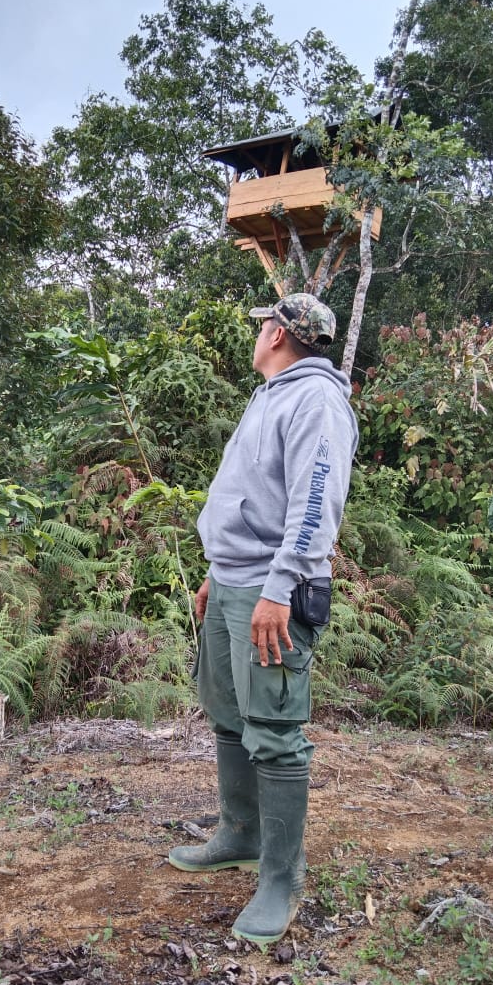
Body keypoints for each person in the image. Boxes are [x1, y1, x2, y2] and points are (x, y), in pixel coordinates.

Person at [168, 292, 358, 944]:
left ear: (278, 334)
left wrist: (279, 589)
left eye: (261, 328)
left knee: (275, 730)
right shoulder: (270, 395)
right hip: (231, 585)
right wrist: (215, 574)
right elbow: (250, 493)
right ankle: (240, 833)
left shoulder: (317, 400)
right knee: (226, 713)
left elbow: (314, 505)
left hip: (273, 593)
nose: (257, 337)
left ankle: (282, 878)